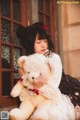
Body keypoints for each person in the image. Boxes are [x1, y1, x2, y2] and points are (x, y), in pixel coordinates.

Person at [16, 22, 80, 119]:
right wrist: (23, 76)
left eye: (45, 41)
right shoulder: (28, 60)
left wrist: (33, 85)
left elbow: (53, 86)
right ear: (30, 44)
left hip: (60, 89)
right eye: (38, 42)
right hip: (37, 95)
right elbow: (27, 81)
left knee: (55, 114)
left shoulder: (53, 58)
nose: (43, 45)